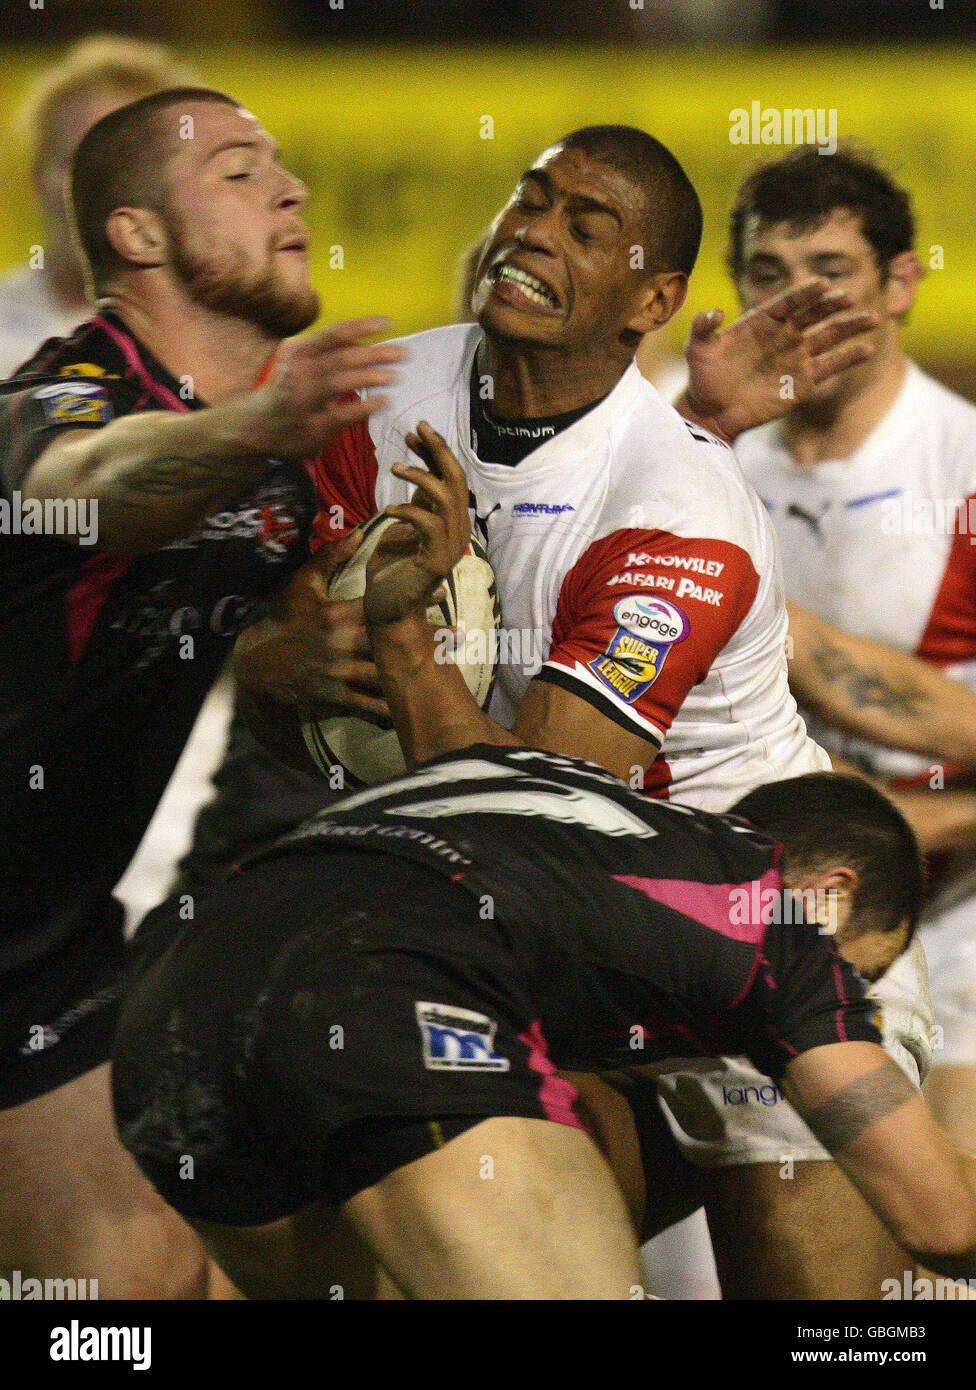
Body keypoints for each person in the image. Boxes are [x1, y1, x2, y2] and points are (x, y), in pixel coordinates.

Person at [234, 126, 932, 1297]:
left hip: (749, 925)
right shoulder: (380, 398)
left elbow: (543, 808)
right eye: (530, 199)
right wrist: (265, 665)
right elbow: (276, 678)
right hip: (547, 942)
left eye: (585, 226)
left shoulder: (676, 513)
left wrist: (404, 631)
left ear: (652, 297)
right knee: (480, 1255)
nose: (532, 234)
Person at [0, 86, 403, 1295]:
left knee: (145, 1291)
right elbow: (98, 480)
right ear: (137, 236)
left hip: (43, 946)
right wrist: (254, 427)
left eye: (282, 164)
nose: (291, 189)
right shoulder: (63, 400)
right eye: (239, 170)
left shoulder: (284, 450)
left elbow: (274, 662)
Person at [112, 739, 976, 1300]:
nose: (847, 1005)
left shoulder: (546, 787)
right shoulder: (782, 925)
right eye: (862, 976)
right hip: (383, 988)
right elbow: (946, 1222)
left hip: (171, 1001)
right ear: (832, 900)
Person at [732, 147, 976, 1271]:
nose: (797, 304)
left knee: (936, 1256)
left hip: (957, 921)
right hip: (763, 934)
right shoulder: (709, 466)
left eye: (830, 268)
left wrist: (894, 838)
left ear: (901, 282)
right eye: (766, 271)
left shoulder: (963, 467)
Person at [0, 35, 196, 376]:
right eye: (78, 163)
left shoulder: (227, 340)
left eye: (129, 165)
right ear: (36, 179)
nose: (101, 191)